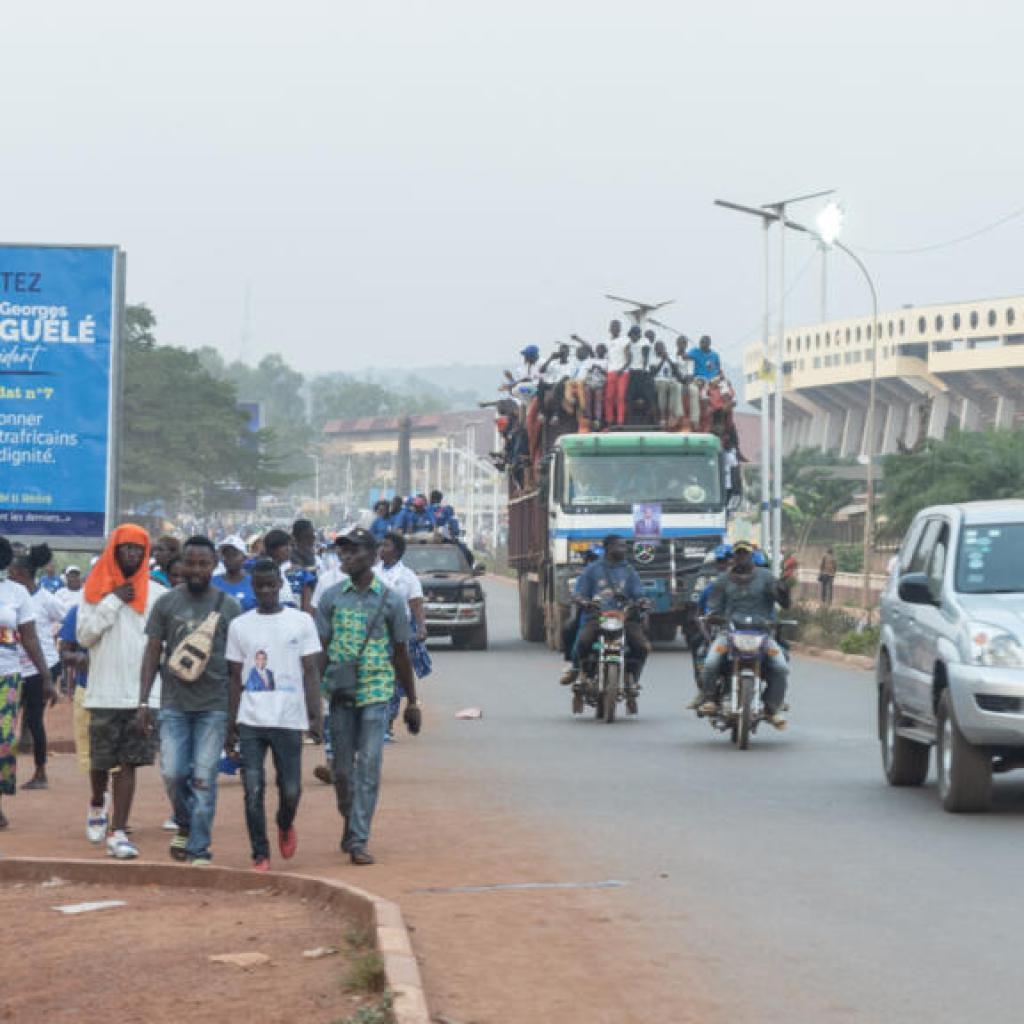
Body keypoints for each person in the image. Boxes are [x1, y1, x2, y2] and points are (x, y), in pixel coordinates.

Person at [316, 527, 421, 865]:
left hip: (377, 690)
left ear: (373, 555)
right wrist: (313, 700)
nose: (346, 557)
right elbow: (319, 650)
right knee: (343, 771)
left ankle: (359, 837)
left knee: (370, 766)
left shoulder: (391, 600)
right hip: (340, 693)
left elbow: (401, 654)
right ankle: (350, 819)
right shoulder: (331, 598)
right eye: (342, 552)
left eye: (354, 551)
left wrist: (412, 702)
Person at [139, 536, 242, 865]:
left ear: (214, 566)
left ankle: (198, 847)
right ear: (181, 564)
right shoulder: (166, 604)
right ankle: (184, 822)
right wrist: (143, 702)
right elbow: (152, 653)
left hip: (214, 706)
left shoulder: (230, 607)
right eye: (190, 563)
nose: (196, 569)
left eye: (203, 564)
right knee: (172, 773)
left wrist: (234, 715)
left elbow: (236, 667)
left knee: (204, 778)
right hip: (173, 705)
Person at [226, 558, 322, 872]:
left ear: (280, 585)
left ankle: (284, 822)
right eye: (260, 585)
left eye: (271, 584)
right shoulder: (240, 626)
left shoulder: (301, 622)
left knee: (291, 788)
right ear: (252, 587)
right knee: (253, 788)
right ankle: (260, 853)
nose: (266, 590)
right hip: (251, 719)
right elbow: (234, 676)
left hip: (289, 718)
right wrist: (230, 724)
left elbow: (310, 671)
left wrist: (316, 716)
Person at [77, 525, 166, 858]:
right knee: (101, 761)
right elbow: (84, 636)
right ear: (113, 550)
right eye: (125, 548)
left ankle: (118, 830)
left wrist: (153, 694)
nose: (131, 554)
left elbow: (162, 645)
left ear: (145, 555)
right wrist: (113, 600)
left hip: (141, 694)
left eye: (138, 550)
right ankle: (98, 803)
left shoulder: (157, 595)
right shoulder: (93, 590)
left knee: (129, 762)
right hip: (103, 691)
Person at [699, 539, 790, 728]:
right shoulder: (722, 580)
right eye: (738, 554)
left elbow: (784, 603)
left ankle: (772, 707)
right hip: (729, 632)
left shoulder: (766, 577)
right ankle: (709, 700)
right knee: (710, 662)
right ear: (733, 558)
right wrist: (712, 617)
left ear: (751, 557)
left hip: (761, 634)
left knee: (781, 666)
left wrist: (783, 592)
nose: (742, 558)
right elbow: (713, 607)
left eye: (745, 554)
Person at [0, 536, 54, 828]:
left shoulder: (17, 593)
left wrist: (46, 676)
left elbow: (30, 637)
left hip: (7, 676)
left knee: (5, 742)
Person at [8, 546, 64, 791]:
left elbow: (66, 618)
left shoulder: (46, 599)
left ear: (21, 573)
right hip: (13, 668)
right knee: (10, 720)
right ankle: (10, 769)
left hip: (40, 668)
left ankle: (40, 772)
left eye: (12, 573)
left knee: (34, 720)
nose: (8, 576)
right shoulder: (12, 596)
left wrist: (49, 674)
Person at [568, 535, 650, 692]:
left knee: (642, 646)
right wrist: (584, 601)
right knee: (583, 642)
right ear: (608, 548)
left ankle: (632, 679)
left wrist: (642, 601)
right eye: (619, 546)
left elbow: (639, 593)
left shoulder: (629, 571)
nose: (623, 550)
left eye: (624, 546)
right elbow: (580, 594)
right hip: (597, 617)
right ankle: (583, 674)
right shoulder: (592, 570)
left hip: (624, 618)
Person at [376, 532, 430, 740]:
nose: (382, 548)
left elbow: (415, 603)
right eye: (381, 544)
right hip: (376, 631)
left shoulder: (408, 576)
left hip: (399, 630)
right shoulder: (372, 573)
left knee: (397, 678)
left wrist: (421, 627)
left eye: (386, 545)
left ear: (396, 551)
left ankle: (388, 722)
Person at [264, 528, 316, 614]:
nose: (288, 549)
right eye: (284, 546)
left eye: (290, 545)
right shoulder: (260, 574)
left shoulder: (301, 574)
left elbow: (307, 609)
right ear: (271, 549)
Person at [212, 535, 257, 611]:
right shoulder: (212, 582)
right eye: (226, 554)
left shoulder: (255, 583)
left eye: (234, 554)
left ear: (245, 557)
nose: (230, 558)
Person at [604, 320, 630, 427]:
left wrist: (622, 369)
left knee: (620, 397)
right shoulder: (606, 342)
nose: (615, 328)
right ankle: (609, 421)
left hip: (622, 372)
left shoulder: (625, 340)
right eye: (613, 326)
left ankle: (620, 421)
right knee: (609, 397)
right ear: (610, 329)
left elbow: (629, 358)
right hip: (610, 371)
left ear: (620, 328)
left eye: (617, 326)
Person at [674, 336, 703, 430]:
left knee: (694, 390)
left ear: (686, 345)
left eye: (683, 343)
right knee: (677, 387)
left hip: (686, 381)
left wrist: (686, 383)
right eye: (679, 343)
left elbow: (690, 374)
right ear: (677, 344)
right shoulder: (672, 356)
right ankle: (679, 415)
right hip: (675, 381)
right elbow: (673, 372)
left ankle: (695, 420)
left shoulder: (690, 358)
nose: (681, 345)